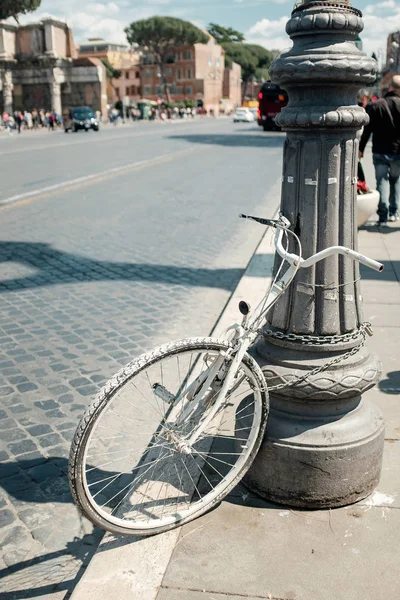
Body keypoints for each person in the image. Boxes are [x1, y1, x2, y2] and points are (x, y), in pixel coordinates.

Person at [359, 75, 400, 225]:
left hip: (380, 150)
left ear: (389, 87)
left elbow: (367, 129)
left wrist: (361, 148)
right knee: (396, 181)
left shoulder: (377, 105)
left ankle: (382, 216)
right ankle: (393, 212)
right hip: (397, 152)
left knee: (382, 181)